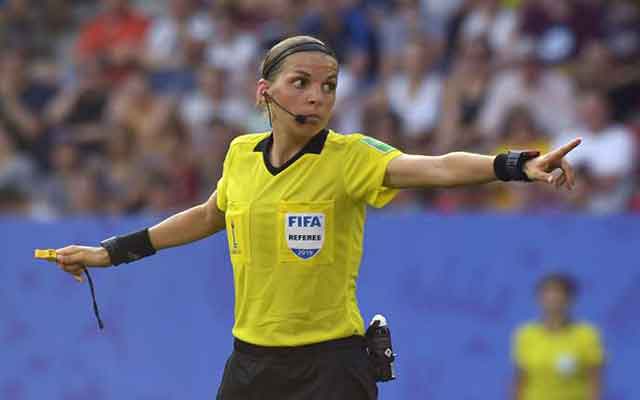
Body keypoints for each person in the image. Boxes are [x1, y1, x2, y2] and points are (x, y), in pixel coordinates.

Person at [52, 35, 581, 400]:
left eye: (329, 86)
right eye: (301, 82)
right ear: (265, 92)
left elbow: (437, 166)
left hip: (330, 368)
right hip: (251, 365)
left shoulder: (350, 157)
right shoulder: (240, 153)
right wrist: (111, 251)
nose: (318, 96)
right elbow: (211, 214)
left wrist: (515, 164)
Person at [511, 273, 605, 400]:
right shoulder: (526, 334)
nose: (553, 299)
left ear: (570, 299)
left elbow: (595, 383)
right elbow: (519, 381)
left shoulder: (586, 334)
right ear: (539, 299)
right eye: (548, 293)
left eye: (559, 293)